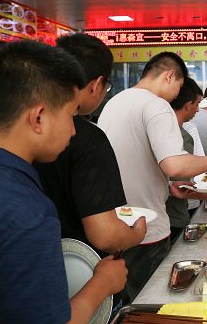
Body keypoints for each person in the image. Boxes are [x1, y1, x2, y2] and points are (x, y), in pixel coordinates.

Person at [0, 41, 127, 323]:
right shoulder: (28, 214)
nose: (73, 130)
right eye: (70, 115)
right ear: (39, 118)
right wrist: (104, 282)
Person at [98, 51, 207, 303]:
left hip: (114, 225)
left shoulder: (116, 101)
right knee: (151, 303)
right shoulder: (156, 105)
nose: (177, 95)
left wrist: (168, 188)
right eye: (179, 85)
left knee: (127, 303)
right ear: (170, 76)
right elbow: (174, 164)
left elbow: (132, 161)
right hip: (147, 227)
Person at [34, 34, 146, 258]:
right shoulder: (89, 139)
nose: (71, 131)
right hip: (79, 266)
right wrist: (137, 234)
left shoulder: (20, 129)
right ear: (95, 85)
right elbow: (105, 236)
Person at [167, 77, 207, 242]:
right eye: (197, 104)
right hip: (172, 217)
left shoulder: (181, 130)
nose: (198, 110)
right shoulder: (177, 134)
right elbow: (181, 174)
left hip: (175, 212)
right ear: (188, 105)